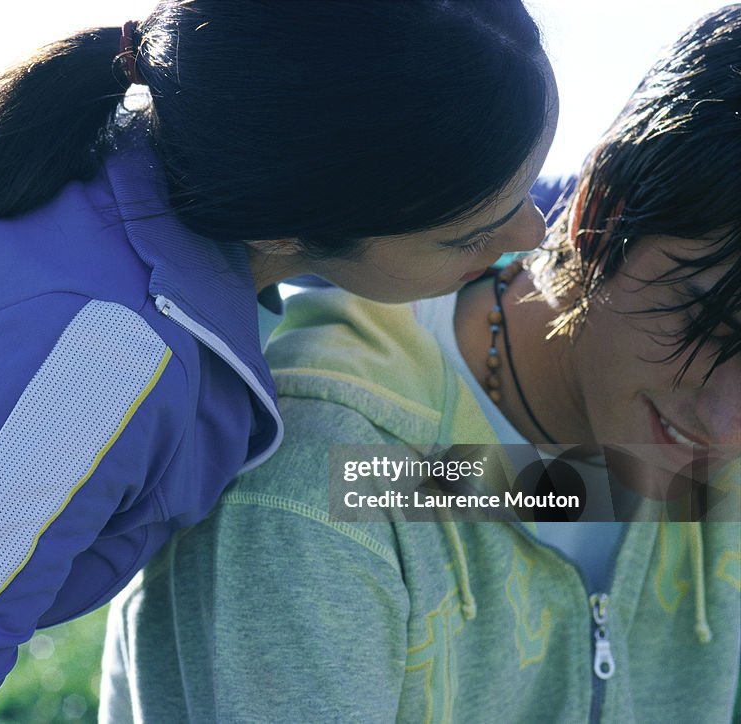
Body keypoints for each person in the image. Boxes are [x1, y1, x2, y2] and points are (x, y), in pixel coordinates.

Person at [0, 2, 560, 720]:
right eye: (475, 232)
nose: (535, 236)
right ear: (287, 225)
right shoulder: (102, 354)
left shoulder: (119, 198)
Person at [100, 6, 741, 722]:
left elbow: (543, 488)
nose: (725, 427)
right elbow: (425, 487)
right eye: (705, 322)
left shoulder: (688, 456)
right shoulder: (328, 474)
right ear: (600, 210)